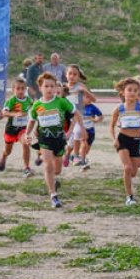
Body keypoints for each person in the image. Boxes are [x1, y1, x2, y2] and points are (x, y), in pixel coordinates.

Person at [27, 72, 81, 209]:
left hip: (59, 139)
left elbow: (75, 115)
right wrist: (27, 134)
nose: (50, 89)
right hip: (44, 139)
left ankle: (53, 180)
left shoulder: (61, 102)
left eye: (52, 86)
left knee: (57, 170)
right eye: (46, 86)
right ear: (40, 88)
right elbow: (32, 121)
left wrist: (70, 132)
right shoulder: (37, 105)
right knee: (48, 166)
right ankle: (53, 196)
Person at [110, 77, 140, 207]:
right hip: (123, 140)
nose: (132, 92)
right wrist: (114, 139)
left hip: (136, 141)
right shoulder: (119, 109)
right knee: (127, 168)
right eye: (129, 90)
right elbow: (111, 126)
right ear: (123, 92)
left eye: (135, 90)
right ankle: (129, 197)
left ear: (138, 93)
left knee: (133, 171)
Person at [0, 78, 34, 177]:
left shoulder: (28, 100)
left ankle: (26, 168)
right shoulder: (11, 101)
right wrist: (15, 114)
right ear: (13, 90)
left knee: (26, 143)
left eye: (23, 89)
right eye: (18, 89)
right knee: (8, 151)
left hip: (22, 129)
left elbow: (35, 107)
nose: (20, 91)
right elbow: (4, 112)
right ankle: (4, 157)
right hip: (11, 130)